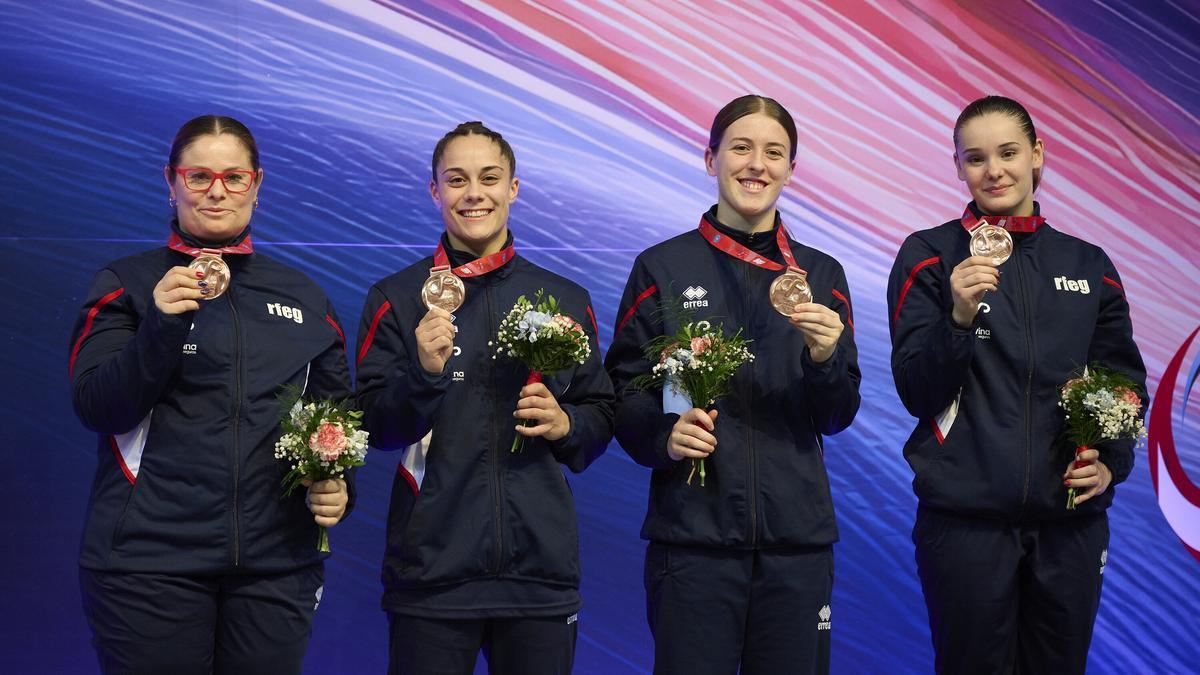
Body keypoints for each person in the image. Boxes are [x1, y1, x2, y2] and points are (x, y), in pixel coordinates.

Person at [69, 115, 354, 673]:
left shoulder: (303, 294)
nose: (217, 190)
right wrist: (160, 326)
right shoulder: (127, 284)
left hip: (277, 562)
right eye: (198, 176)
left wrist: (339, 484)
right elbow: (99, 408)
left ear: (257, 183)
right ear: (170, 182)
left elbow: (336, 416)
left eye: (234, 176)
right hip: (149, 561)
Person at [886, 95, 1148, 674]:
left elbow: (1123, 382)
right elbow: (915, 392)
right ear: (957, 167)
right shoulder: (929, 257)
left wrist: (1109, 462)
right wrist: (957, 317)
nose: (994, 170)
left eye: (1008, 153)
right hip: (966, 523)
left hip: (1070, 524)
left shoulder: (1088, 264)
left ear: (1037, 155)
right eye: (975, 158)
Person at [604, 95, 861, 675]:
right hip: (693, 537)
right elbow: (623, 391)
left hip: (796, 542)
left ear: (791, 170)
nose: (757, 165)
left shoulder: (821, 275)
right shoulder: (661, 268)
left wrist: (824, 356)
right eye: (741, 148)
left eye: (774, 153)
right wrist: (665, 436)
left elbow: (839, 412)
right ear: (710, 158)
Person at [355, 121, 614, 675]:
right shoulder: (397, 298)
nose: (474, 193)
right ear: (435, 191)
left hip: (538, 574)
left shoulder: (565, 299)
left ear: (514, 188)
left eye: (489, 178)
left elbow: (602, 412)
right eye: (457, 179)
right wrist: (423, 374)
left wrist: (567, 425)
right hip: (432, 575)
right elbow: (372, 427)